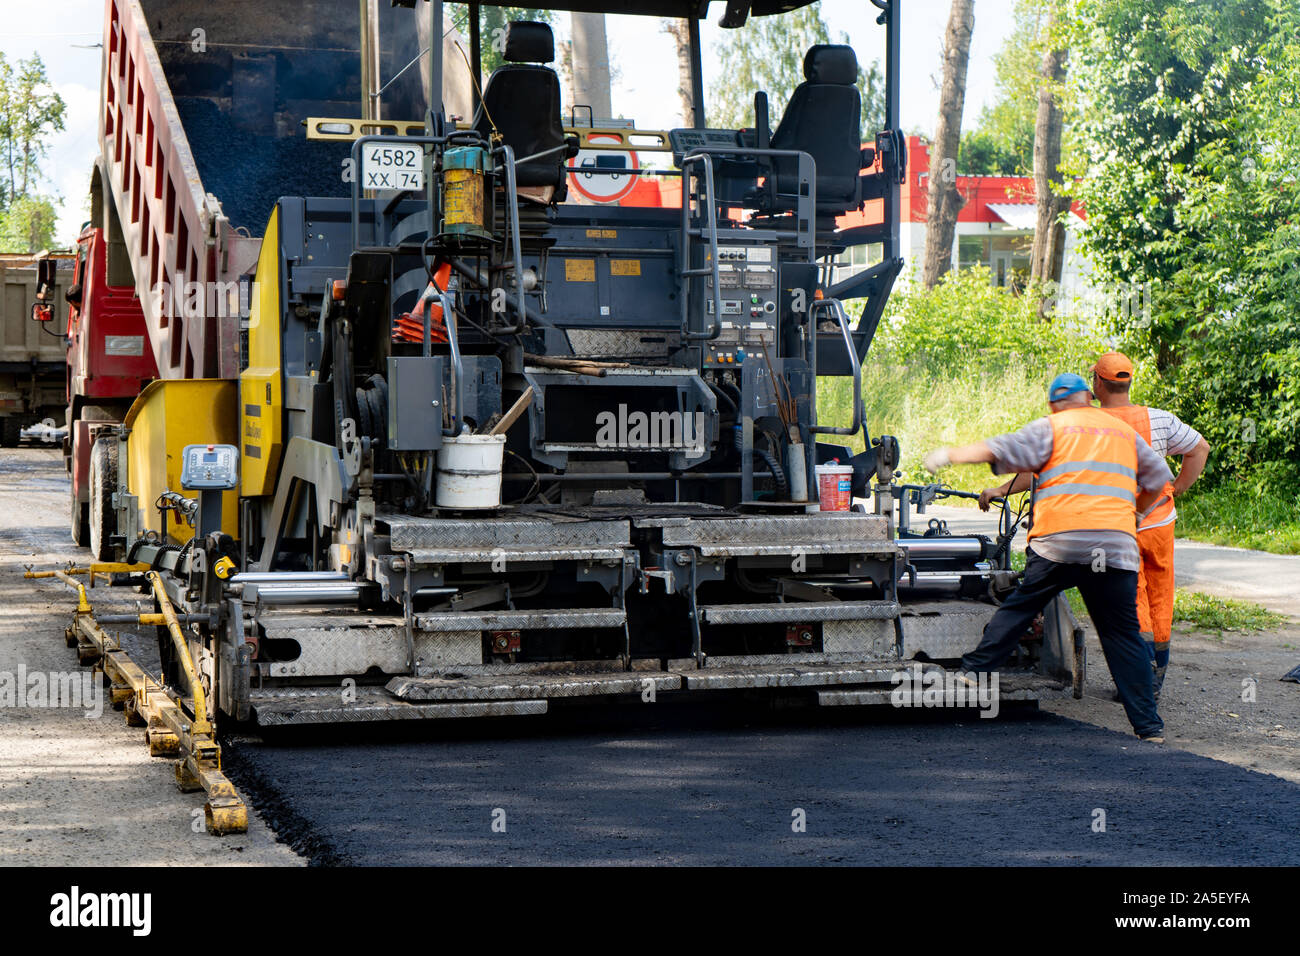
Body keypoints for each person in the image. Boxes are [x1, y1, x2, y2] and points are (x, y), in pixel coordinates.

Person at [923, 372, 1173, 741]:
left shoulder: (1053, 427)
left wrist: (949, 455)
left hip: (1060, 543)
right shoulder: (1121, 432)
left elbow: (998, 449)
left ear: (1055, 403)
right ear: (1089, 397)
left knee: (1022, 606)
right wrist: (1134, 516)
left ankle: (975, 670)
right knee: (1123, 635)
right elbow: (1159, 477)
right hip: (1114, 547)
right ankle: (1149, 727)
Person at [978, 353, 1210, 698]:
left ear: (1099, 384)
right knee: (1161, 596)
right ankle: (1156, 674)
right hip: (1159, 523)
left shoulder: (1083, 423)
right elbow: (1199, 449)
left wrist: (999, 489)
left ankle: (1140, 677)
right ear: (1129, 382)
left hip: (1115, 528)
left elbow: (1035, 469)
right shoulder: (1158, 419)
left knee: (1132, 600)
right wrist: (1174, 488)